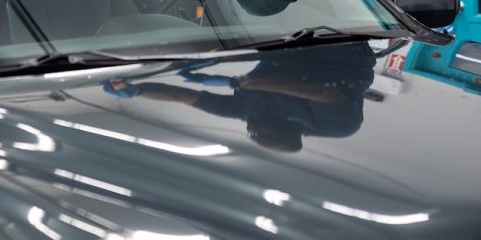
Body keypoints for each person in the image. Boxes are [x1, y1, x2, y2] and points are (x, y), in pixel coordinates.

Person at [103, 47, 376, 153]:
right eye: (257, 129)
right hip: (338, 50)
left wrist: (137, 90)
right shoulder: (336, 127)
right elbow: (321, 91)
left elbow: (182, 96)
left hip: (282, 44)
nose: (251, 125)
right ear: (286, 129)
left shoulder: (245, 112)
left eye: (251, 129)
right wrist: (242, 82)